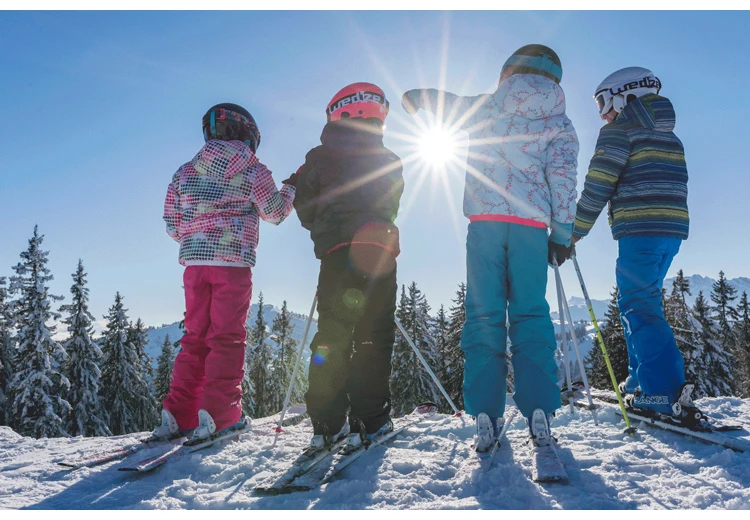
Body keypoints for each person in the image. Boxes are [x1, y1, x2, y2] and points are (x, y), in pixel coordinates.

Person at [402, 44, 579, 451]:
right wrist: (561, 235)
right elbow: (564, 180)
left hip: (484, 225)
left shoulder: (487, 105)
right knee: (531, 313)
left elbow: (447, 105)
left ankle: (485, 412)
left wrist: (419, 100)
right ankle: (538, 411)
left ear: (508, 73)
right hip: (532, 229)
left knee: (484, 316)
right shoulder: (559, 122)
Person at [153, 103, 295, 443]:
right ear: (248, 134)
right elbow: (274, 213)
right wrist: (291, 188)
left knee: (194, 338)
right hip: (232, 265)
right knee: (226, 338)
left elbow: (172, 224)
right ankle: (222, 414)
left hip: (194, 266)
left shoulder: (185, 172)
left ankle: (178, 414)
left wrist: (196, 234)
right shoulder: (252, 169)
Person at [570, 67, 698, 423]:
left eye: (602, 103)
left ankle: (660, 393)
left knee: (639, 308)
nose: (603, 113)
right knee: (641, 304)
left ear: (624, 94)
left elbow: (599, 184)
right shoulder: (668, 135)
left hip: (639, 231)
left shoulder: (619, 131)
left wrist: (574, 231)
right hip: (670, 233)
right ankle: (642, 383)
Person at [286, 82, 404, 453]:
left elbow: (304, 209)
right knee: (373, 334)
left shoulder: (317, 158)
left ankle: (326, 423)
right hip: (376, 250)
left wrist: (327, 226)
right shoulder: (388, 157)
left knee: (332, 336)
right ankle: (371, 421)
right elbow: (393, 203)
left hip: (336, 255)